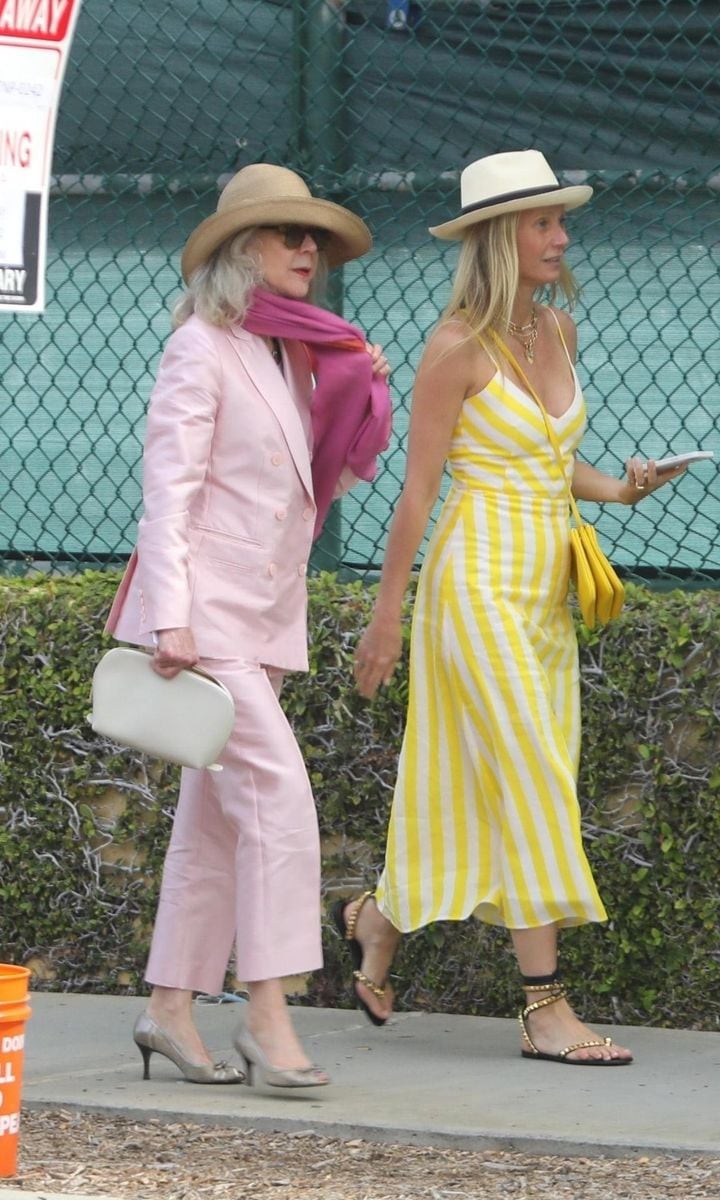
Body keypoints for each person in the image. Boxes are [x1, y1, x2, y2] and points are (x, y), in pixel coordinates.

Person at [333, 149, 687, 1065]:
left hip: (547, 583)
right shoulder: (455, 346)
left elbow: (548, 458)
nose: (561, 237)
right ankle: (544, 1007)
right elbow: (416, 494)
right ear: (498, 237)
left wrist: (622, 488)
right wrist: (386, 615)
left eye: (561, 221)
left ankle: (376, 920)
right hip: (475, 580)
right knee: (533, 772)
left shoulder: (557, 330)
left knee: (467, 778)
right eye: (543, 223)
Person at [106, 163, 391, 1089]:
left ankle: (168, 1011)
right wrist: (171, 620)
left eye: (314, 237)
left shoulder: (297, 354)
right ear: (242, 252)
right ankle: (268, 1014)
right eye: (287, 234)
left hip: (262, 619)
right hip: (205, 623)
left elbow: (304, 495)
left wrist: (357, 404)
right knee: (279, 801)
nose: (309, 249)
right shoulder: (201, 346)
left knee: (216, 829)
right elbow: (170, 490)